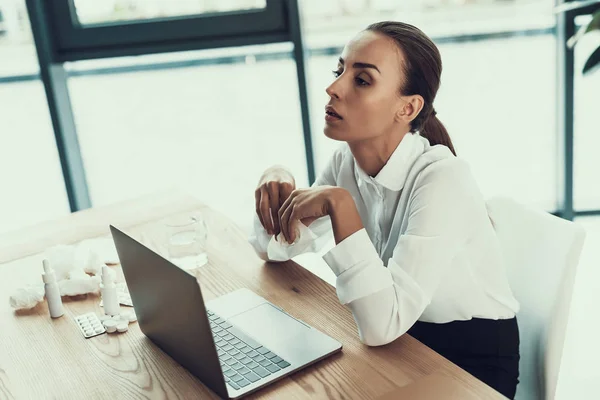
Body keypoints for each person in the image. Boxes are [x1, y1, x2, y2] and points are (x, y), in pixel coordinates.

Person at [249, 21, 520, 399]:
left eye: (362, 80)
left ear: (407, 107)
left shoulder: (443, 179)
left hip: (470, 367)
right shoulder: (346, 161)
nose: (333, 88)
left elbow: (382, 325)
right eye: (339, 70)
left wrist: (340, 206)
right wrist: (277, 178)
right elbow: (273, 249)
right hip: (403, 340)